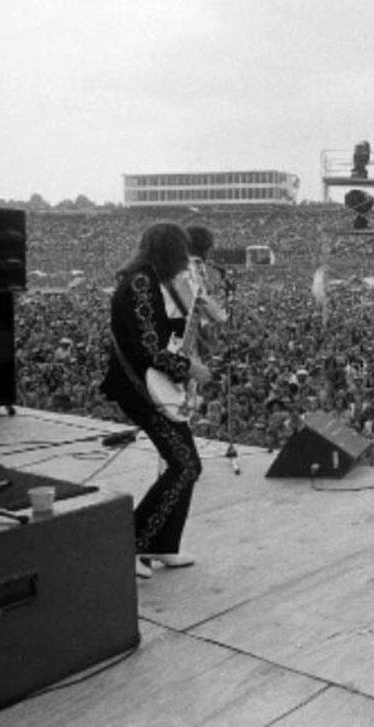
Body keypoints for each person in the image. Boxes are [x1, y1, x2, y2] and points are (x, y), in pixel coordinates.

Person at [100, 223, 212, 579]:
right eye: (181, 252)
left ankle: (162, 543)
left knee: (186, 465)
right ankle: (131, 544)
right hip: (139, 387)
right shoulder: (139, 283)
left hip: (151, 385)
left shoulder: (149, 281)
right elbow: (146, 348)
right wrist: (189, 368)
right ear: (169, 251)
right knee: (184, 464)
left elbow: (162, 336)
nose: (184, 260)